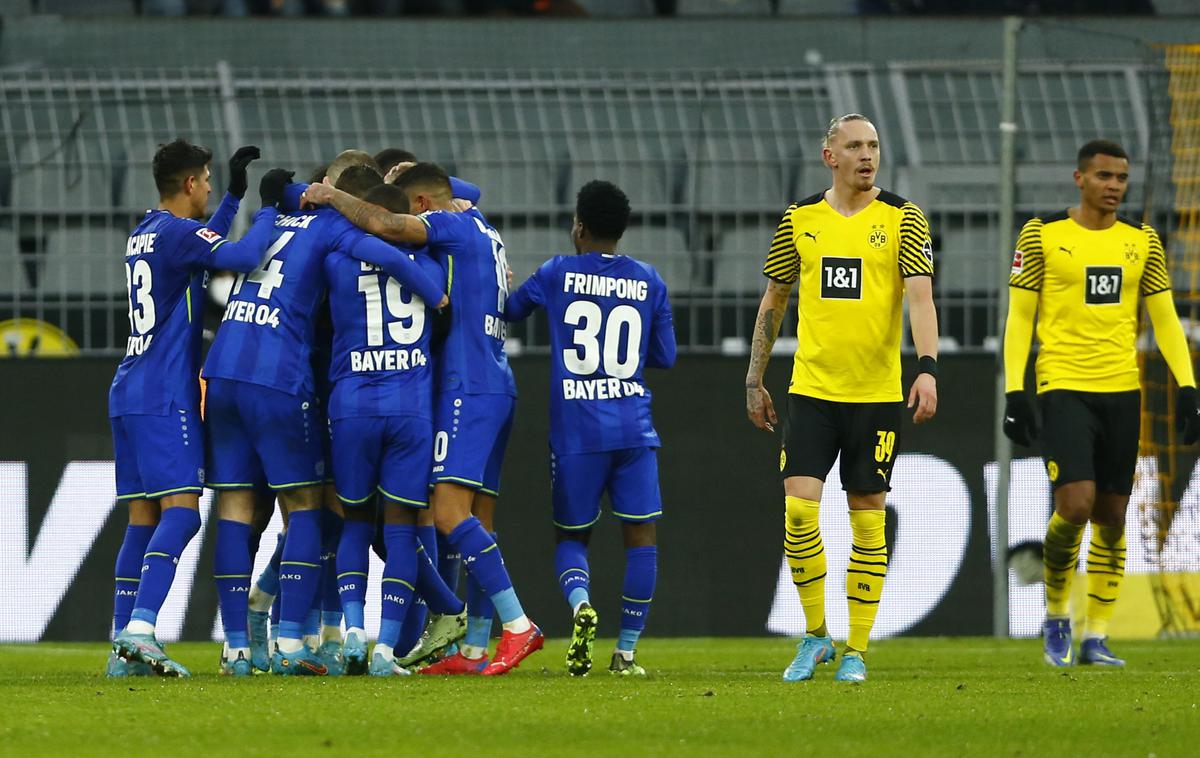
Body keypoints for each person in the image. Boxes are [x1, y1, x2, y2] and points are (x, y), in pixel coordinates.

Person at [202, 165, 448, 677]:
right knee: (307, 504)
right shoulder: (339, 228)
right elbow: (380, 247)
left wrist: (277, 190)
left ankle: (238, 648)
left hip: (223, 367)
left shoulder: (284, 217)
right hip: (278, 376)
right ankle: (293, 639)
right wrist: (434, 289)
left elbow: (289, 191)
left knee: (235, 505)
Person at [302, 163, 543, 676]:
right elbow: (445, 195)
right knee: (473, 516)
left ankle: (518, 626)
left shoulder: (447, 226)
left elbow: (388, 226)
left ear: (425, 206)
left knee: (449, 512)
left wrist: (330, 195)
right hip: (495, 381)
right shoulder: (480, 224)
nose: (410, 223)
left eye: (413, 211)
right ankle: (475, 647)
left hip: (464, 386)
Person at [744, 113, 939, 683]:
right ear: (829, 155)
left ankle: (856, 648)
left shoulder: (903, 218)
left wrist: (926, 369)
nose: (866, 155)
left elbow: (921, 300)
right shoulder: (800, 219)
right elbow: (774, 299)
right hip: (813, 391)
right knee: (799, 510)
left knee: (868, 520)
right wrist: (754, 378)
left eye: (874, 145)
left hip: (876, 395)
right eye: (854, 145)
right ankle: (814, 636)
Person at [1003, 138, 1200, 668]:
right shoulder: (1042, 234)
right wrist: (1015, 389)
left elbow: (1164, 319)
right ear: (1080, 179)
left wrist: (1186, 386)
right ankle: (1056, 617)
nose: (1114, 187)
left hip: (1122, 390)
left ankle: (1097, 636)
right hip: (1063, 384)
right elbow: (1021, 317)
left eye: (1121, 179)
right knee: (1076, 504)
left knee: (1112, 516)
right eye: (1104, 177)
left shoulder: (1143, 242)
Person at [108, 140, 283, 677]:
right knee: (181, 513)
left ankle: (121, 648)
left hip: (128, 389)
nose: (209, 187)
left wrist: (233, 195)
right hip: (165, 394)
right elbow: (242, 256)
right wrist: (270, 207)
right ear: (189, 184)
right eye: (207, 181)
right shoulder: (180, 236)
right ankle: (141, 629)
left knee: (142, 518)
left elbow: (205, 243)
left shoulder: (147, 230)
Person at [504, 180, 676, 676]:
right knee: (642, 538)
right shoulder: (649, 279)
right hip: (634, 431)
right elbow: (665, 356)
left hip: (577, 434)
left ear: (578, 225)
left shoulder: (558, 271)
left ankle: (581, 606)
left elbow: (510, 310)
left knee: (572, 539)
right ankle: (625, 652)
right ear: (622, 230)